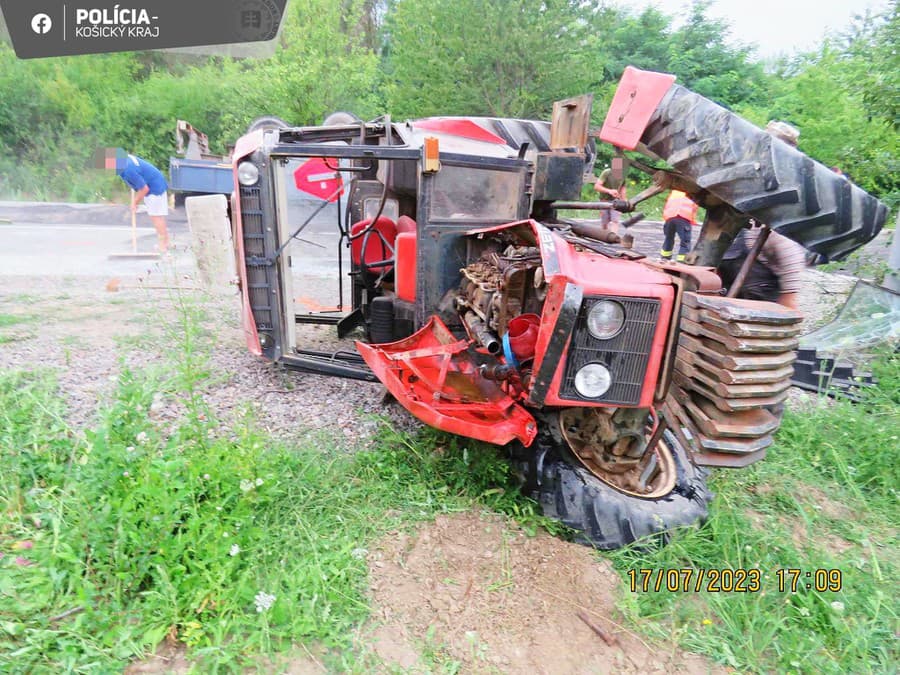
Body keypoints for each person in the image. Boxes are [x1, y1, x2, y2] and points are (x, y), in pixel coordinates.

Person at [109, 150, 170, 253]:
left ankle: (163, 247)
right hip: (156, 181)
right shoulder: (124, 160)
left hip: (154, 188)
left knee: (156, 217)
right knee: (158, 216)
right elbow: (137, 180)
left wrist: (135, 202)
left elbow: (144, 189)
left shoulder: (128, 169)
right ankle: (166, 243)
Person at [660, 189, 697, 261]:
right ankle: (682, 261)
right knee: (685, 242)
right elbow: (694, 207)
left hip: (669, 217)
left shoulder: (675, 192)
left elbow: (667, 204)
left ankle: (665, 258)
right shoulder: (692, 193)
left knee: (668, 239)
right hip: (682, 217)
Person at [594, 166, 626, 234]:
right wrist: (609, 191)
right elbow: (597, 186)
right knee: (604, 222)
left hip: (616, 201)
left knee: (615, 220)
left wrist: (624, 201)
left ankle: (613, 237)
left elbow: (623, 188)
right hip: (604, 200)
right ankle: (604, 236)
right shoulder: (607, 172)